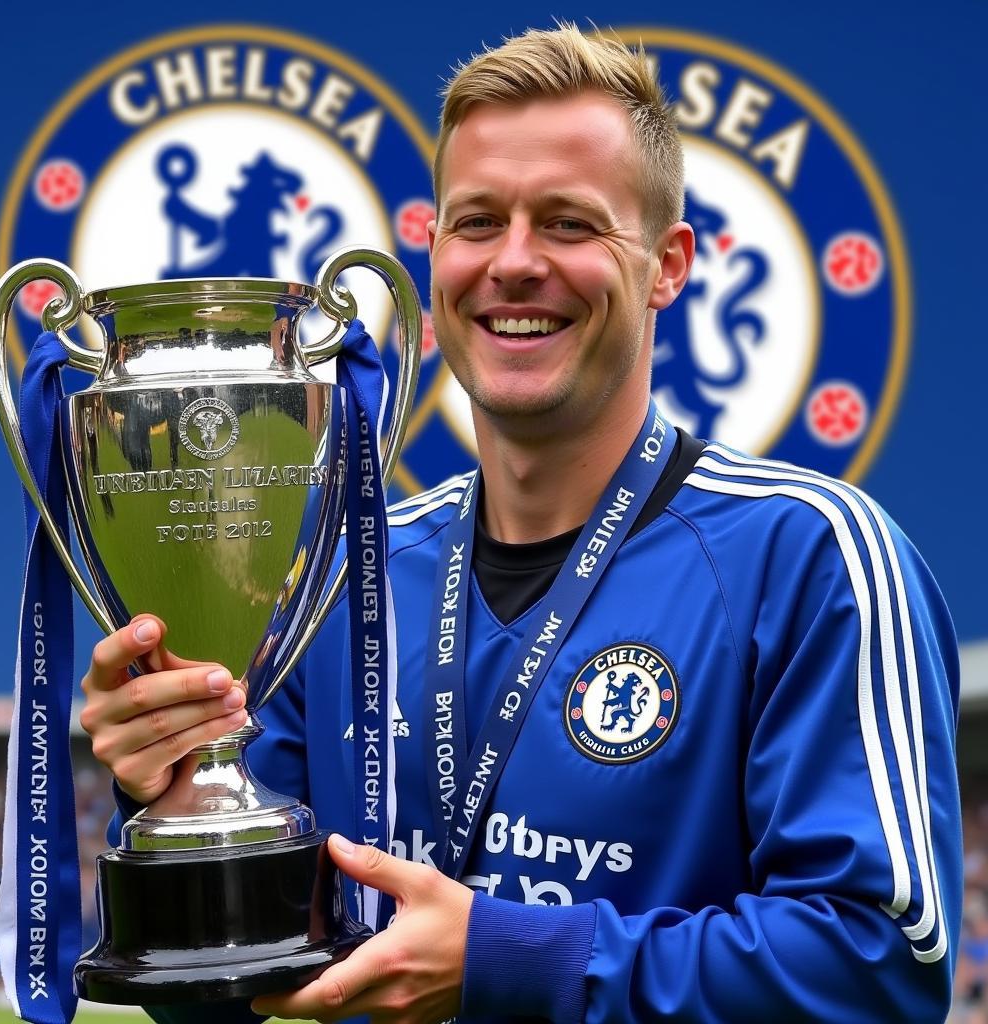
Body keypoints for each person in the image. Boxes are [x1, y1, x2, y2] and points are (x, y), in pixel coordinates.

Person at [79, 25, 962, 1024]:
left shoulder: (810, 555)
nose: (513, 263)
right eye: (477, 221)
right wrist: (174, 797)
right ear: (433, 254)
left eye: (570, 224)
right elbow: (232, 993)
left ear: (667, 265)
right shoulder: (338, 582)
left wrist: (504, 952)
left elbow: (880, 963)